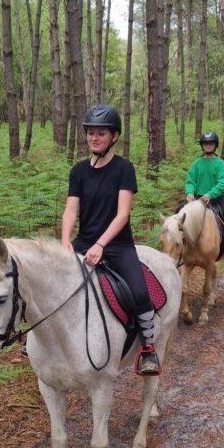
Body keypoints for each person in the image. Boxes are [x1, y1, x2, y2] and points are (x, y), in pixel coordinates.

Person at [61, 104, 160, 376]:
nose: (94, 138)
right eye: (90, 133)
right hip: (83, 241)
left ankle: (148, 349)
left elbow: (122, 214)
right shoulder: (78, 171)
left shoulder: (124, 169)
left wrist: (101, 244)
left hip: (116, 245)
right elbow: (71, 209)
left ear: (114, 136)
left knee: (140, 292)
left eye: (101, 134)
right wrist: (65, 240)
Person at [184, 131, 224, 252]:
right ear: (202, 145)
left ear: (215, 145)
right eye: (205, 143)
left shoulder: (220, 163)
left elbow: (221, 183)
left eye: (211, 143)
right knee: (179, 212)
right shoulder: (196, 163)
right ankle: (182, 242)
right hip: (198, 198)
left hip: (217, 197)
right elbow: (191, 181)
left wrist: (210, 194)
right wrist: (190, 192)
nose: (208, 145)